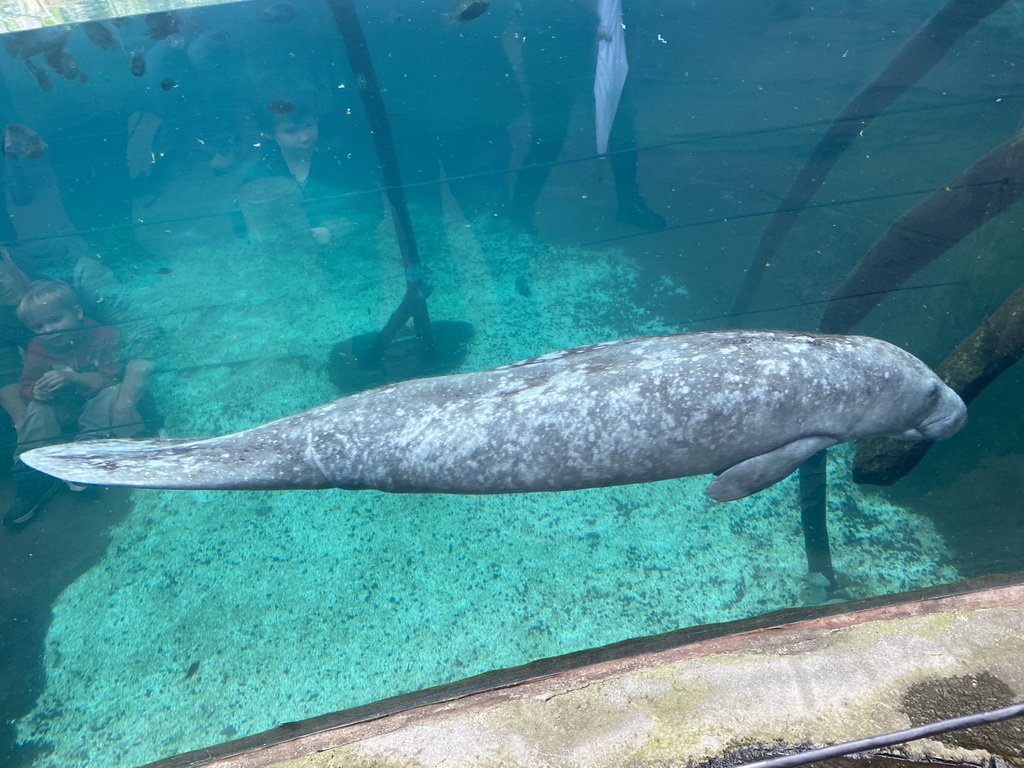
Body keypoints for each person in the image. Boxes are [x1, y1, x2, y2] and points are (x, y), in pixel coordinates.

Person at [3, 280, 138, 529]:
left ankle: (84, 457)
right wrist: (36, 391)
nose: (48, 330)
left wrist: (76, 378)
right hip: (65, 407)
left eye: (54, 320)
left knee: (112, 393)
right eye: (38, 326)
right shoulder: (38, 347)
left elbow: (113, 377)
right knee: (38, 408)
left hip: (97, 404)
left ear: (77, 312)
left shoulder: (103, 334)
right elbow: (25, 387)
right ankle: (31, 471)